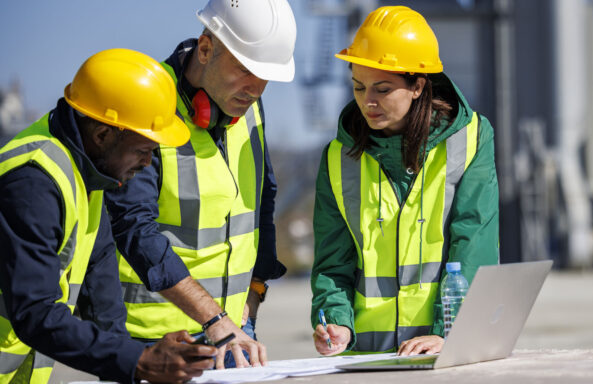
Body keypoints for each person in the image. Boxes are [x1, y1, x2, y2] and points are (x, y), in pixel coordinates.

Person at [0, 48, 215, 384]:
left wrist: (133, 366)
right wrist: (140, 361)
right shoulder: (34, 181)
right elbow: (35, 312)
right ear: (102, 135)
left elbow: (102, 297)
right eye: (143, 151)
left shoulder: (90, 173)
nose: (147, 164)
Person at [103, 0, 296, 369]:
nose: (256, 88)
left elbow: (262, 201)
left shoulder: (248, 105)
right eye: (245, 69)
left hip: (234, 333)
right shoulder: (146, 102)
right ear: (206, 49)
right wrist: (213, 317)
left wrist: (255, 293)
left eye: (266, 75)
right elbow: (133, 228)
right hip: (154, 340)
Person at [310, 5, 500, 356]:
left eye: (382, 89)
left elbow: (473, 243)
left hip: (443, 352)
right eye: (358, 86)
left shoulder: (471, 139)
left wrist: (452, 333)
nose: (368, 102)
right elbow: (332, 264)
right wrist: (335, 322)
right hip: (366, 359)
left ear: (418, 86)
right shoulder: (338, 158)